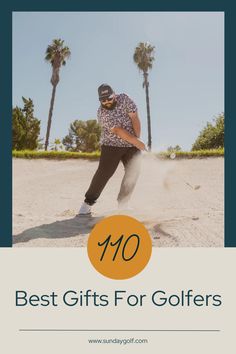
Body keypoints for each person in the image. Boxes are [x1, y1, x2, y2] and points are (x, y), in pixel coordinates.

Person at [78, 84, 146, 215]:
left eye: (109, 98)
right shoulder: (102, 113)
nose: (107, 102)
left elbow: (134, 118)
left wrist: (137, 139)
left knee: (134, 171)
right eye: (103, 100)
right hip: (111, 145)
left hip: (131, 143)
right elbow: (118, 131)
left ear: (114, 94)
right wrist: (136, 142)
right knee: (104, 173)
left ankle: (123, 204)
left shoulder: (125, 99)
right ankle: (87, 204)